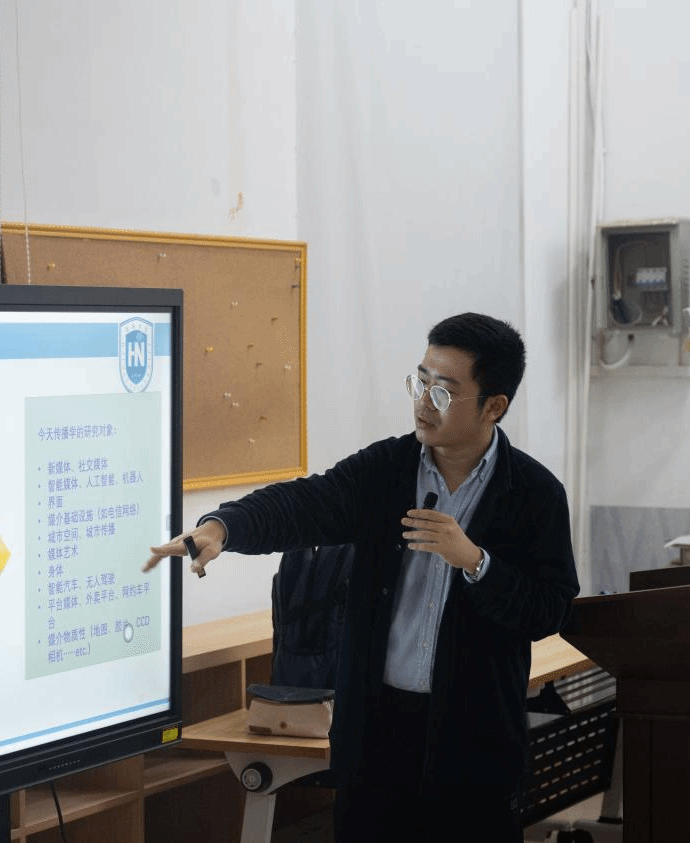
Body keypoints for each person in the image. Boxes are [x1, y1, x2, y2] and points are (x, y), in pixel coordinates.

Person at [144, 313, 579, 842]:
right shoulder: (385, 470)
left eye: (443, 392)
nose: (423, 402)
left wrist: (475, 562)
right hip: (376, 740)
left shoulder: (534, 494)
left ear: (494, 406)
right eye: (420, 382)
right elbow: (305, 503)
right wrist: (224, 527)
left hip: (473, 747)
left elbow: (550, 608)